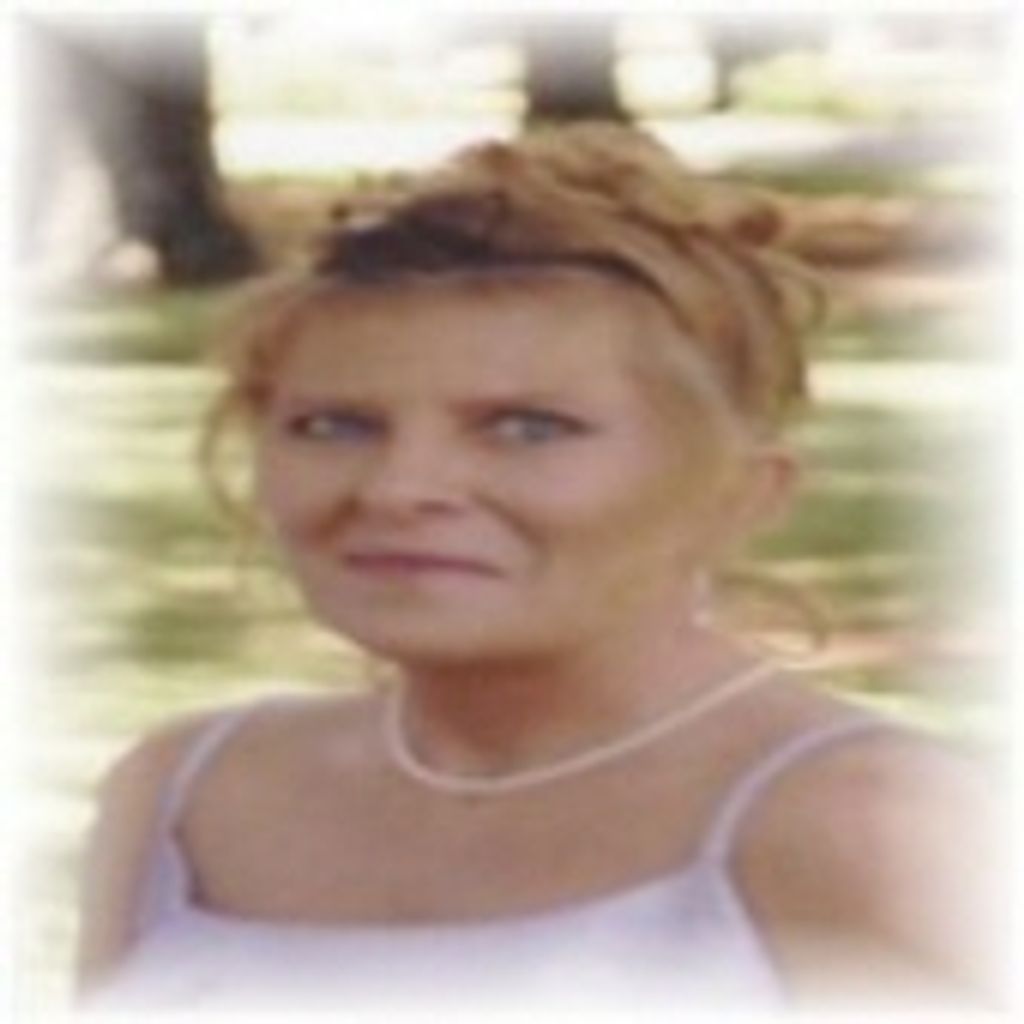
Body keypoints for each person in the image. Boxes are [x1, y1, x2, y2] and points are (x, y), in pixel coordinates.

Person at [74, 122, 998, 1014]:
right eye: (335, 426)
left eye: (526, 428)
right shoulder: (186, 798)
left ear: (741, 492)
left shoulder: (868, 824)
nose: (400, 488)